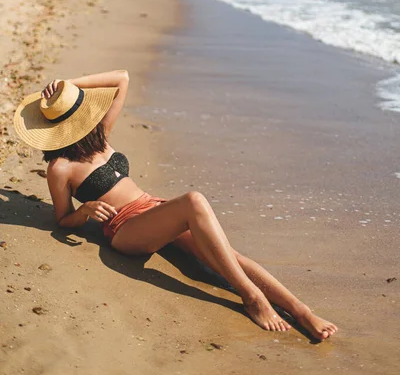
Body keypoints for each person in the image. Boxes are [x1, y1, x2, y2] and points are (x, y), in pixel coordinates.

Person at [13, 69, 338, 340]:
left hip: (152, 208)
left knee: (231, 256)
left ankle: (301, 311)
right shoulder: (59, 168)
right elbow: (62, 219)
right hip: (125, 229)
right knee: (194, 201)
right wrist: (83, 212)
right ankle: (252, 297)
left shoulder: (100, 136)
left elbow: (122, 79)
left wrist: (68, 86)